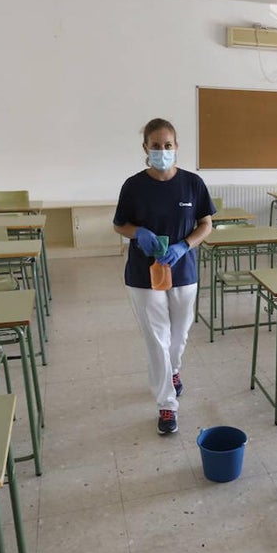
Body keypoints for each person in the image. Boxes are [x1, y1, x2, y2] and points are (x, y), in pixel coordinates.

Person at [113, 118, 215, 434]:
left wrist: (185, 246)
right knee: (157, 340)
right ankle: (166, 405)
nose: (162, 151)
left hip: (183, 270)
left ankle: (173, 370)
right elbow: (120, 224)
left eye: (167, 145)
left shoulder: (192, 183)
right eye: (155, 146)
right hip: (144, 274)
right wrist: (138, 233)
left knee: (179, 336)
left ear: (176, 146)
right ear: (145, 148)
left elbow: (206, 224)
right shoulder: (133, 186)